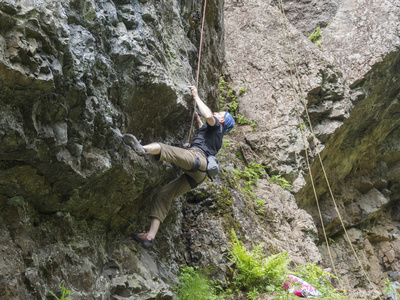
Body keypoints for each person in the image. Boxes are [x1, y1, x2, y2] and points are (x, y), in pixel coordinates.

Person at [123, 86, 235, 248]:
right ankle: (149, 237)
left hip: (197, 159)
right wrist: (198, 120)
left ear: (222, 121)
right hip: (199, 175)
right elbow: (204, 130)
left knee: (164, 148)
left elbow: (209, 115)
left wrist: (196, 96)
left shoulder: (217, 124)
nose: (217, 113)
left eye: (220, 114)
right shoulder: (217, 137)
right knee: (163, 195)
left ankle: (143, 149)